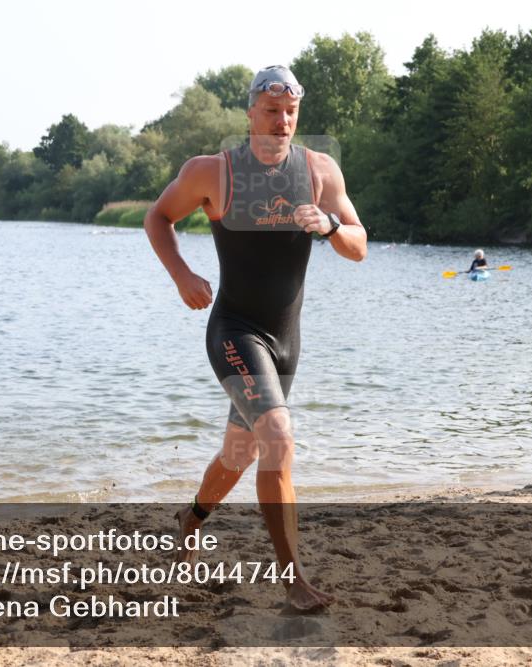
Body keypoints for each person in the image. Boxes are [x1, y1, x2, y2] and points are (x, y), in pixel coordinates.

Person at [143, 65, 367, 610]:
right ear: (249, 114)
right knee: (279, 438)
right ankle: (294, 581)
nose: (282, 121)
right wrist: (182, 275)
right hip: (235, 330)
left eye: (290, 112)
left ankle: (191, 517)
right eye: (271, 110)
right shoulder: (212, 171)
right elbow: (158, 218)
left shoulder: (320, 170)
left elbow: (359, 245)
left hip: (286, 339)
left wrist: (330, 227)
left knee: (240, 452)